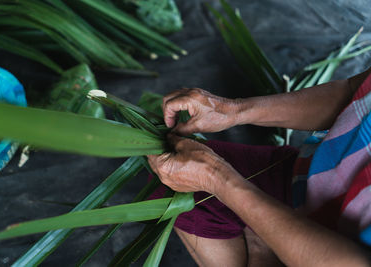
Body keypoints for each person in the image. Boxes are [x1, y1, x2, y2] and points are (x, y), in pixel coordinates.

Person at [148, 67, 371, 267]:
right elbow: (355, 92)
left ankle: (262, 247)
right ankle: (263, 242)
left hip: (330, 252)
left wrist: (217, 177)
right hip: (314, 177)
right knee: (176, 182)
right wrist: (232, 110)